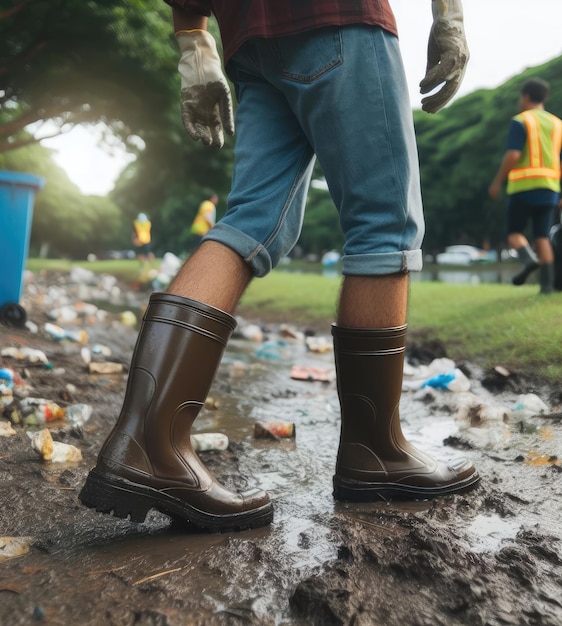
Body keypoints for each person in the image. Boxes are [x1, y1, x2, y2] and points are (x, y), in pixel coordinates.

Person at [79, 0, 479, 533]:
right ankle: (375, 451)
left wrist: (195, 46)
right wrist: (448, 16)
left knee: (252, 221)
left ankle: (146, 444)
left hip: (251, 43)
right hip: (339, 19)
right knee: (384, 224)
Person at [488, 78, 562, 294]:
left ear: (526, 97)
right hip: (550, 189)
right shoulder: (558, 124)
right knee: (542, 236)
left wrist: (498, 181)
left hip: (523, 187)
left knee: (514, 233)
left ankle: (528, 261)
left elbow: (513, 155)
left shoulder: (521, 121)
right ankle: (547, 288)